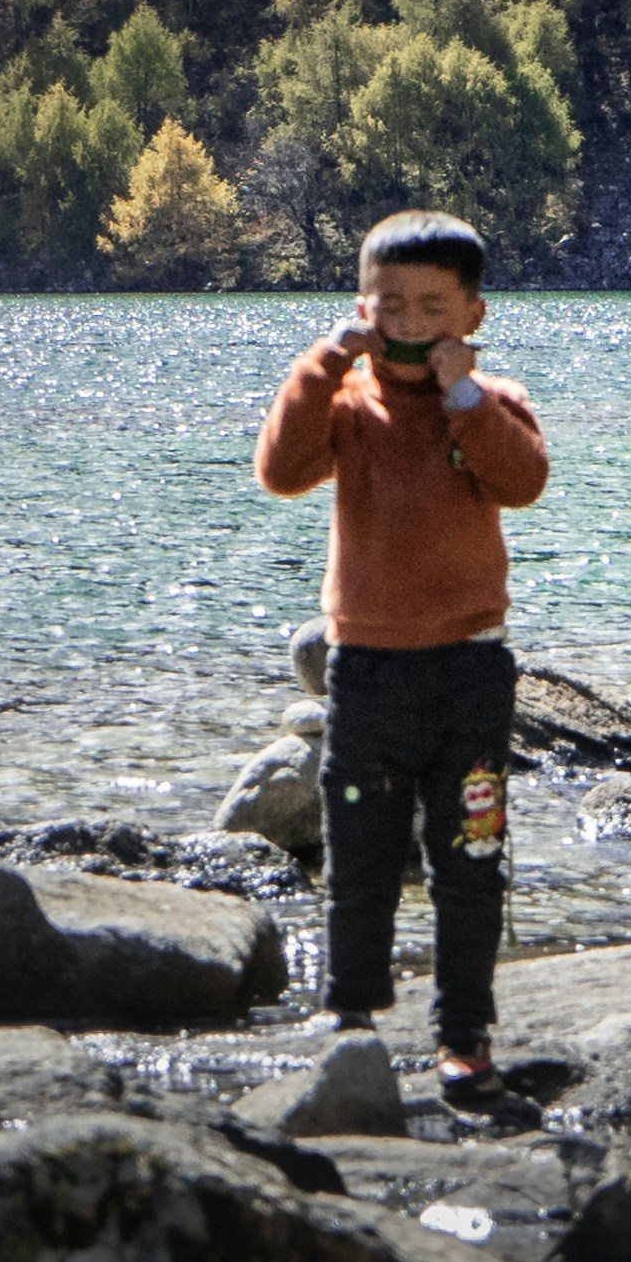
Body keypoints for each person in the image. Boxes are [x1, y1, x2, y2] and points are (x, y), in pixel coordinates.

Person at [253, 207, 551, 1089]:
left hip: (468, 669)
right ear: (361, 305)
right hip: (367, 670)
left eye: (432, 305)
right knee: (359, 851)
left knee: (470, 854)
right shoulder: (346, 403)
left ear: (472, 316)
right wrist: (325, 360)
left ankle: (464, 1030)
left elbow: (523, 481)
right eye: (390, 305)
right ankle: (349, 1013)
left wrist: (463, 398)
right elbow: (279, 470)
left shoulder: (491, 404)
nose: (411, 324)